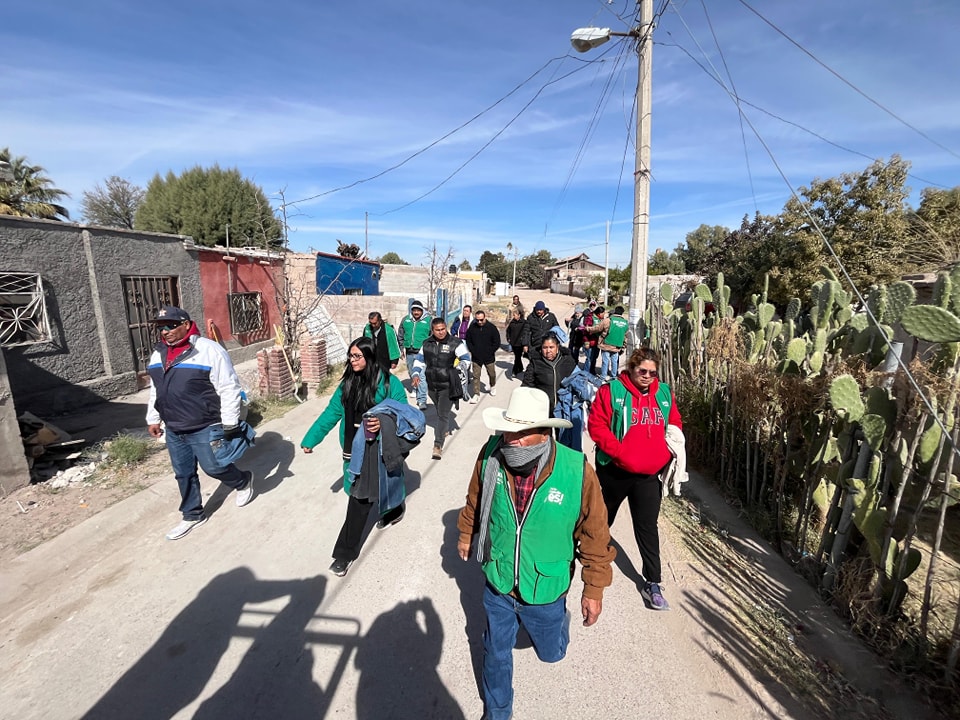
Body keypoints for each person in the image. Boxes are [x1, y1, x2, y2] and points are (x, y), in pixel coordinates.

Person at [457, 387, 615, 720]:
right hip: (499, 579)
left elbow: (595, 533)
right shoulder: (491, 456)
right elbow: (475, 497)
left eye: (521, 431)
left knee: (551, 653)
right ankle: (498, 712)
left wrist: (594, 588)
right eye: (508, 428)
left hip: (546, 585)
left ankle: (559, 627)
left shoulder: (576, 471)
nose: (510, 438)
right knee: (496, 652)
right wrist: (466, 534)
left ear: (545, 433)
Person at [300, 337, 415, 577]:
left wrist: (381, 423)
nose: (352, 361)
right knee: (359, 498)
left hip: (382, 449)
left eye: (357, 356)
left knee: (384, 487)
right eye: (350, 356)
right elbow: (330, 414)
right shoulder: (347, 385)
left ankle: (388, 514)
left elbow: (404, 413)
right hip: (355, 451)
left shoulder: (388, 384)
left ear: (369, 358)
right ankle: (349, 550)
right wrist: (311, 439)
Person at [145, 305, 255, 541]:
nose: (165, 331)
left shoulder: (207, 350)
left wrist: (230, 422)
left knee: (214, 467)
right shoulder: (158, 354)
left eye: (171, 325)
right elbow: (156, 388)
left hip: (205, 424)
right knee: (183, 473)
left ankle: (243, 480)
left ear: (186, 324)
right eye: (161, 327)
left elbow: (228, 387)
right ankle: (192, 515)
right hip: (174, 427)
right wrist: (153, 418)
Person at [587, 347, 682, 611]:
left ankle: (653, 582)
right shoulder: (611, 391)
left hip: (648, 475)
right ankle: (586, 556)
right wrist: (619, 453)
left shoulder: (663, 393)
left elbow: (674, 423)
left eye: (653, 372)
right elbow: (596, 425)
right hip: (615, 470)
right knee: (601, 519)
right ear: (632, 367)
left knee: (647, 528)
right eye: (643, 371)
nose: (648, 376)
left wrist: (664, 454)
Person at [413, 317, 469, 459]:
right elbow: (419, 360)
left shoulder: (455, 343)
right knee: (439, 410)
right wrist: (415, 374)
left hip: (448, 385)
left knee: (442, 414)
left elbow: (466, 359)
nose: (441, 332)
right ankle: (443, 428)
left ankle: (438, 445)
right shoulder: (426, 344)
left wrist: (459, 369)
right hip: (432, 385)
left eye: (443, 329)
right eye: (437, 330)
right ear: (432, 330)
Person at [521, 333, 577, 416]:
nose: (548, 351)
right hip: (543, 410)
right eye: (545, 347)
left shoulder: (567, 361)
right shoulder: (535, 363)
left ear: (557, 347)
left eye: (551, 347)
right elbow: (527, 386)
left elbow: (577, 381)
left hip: (563, 409)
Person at [398, 300, 432, 410]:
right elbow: (400, 334)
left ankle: (422, 400)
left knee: (421, 375)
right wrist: (401, 347)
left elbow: (432, 335)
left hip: (422, 352)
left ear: (422, 310)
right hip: (409, 351)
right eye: (414, 310)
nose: (416, 312)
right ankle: (416, 388)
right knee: (412, 372)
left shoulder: (428, 320)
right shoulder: (406, 320)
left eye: (418, 310)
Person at [466, 310, 501, 403]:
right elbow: (468, 341)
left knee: (492, 374)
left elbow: (497, 342)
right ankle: (476, 394)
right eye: (477, 320)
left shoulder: (491, 328)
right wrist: (473, 351)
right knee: (476, 376)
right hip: (476, 357)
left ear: (485, 318)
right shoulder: (472, 328)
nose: (479, 322)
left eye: (481, 320)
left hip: (489, 357)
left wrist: (490, 351)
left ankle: (492, 386)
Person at [597, 305, 630, 379]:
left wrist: (588, 329)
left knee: (605, 361)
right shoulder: (625, 323)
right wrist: (624, 346)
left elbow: (598, 328)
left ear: (615, 311)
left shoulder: (609, 320)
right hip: (617, 346)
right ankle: (614, 376)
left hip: (606, 344)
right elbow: (626, 336)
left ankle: (603, 376)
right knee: (614, 362)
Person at [581, 304, 604, 375]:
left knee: (594, 358)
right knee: (589, 359)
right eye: (603, 313)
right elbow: (585, 330)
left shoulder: (601, 320)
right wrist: (586, 341)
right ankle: (585, 373)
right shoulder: (590, 318)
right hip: (590, 341)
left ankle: (592, 371)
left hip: (597, 342)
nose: (604, 315)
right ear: (599, 313)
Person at [504, 308, 526, 379]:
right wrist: (508, 338)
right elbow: (508, 331)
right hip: (513, 343)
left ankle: (514, 371)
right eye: (513, 315)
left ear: (519, 315)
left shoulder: (524, 323)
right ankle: (521, 367)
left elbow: (527, 332)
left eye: (515, 315)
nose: (514, 316)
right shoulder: (512, 323)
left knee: (517, 357)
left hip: (520, 343)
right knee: (517, 357)